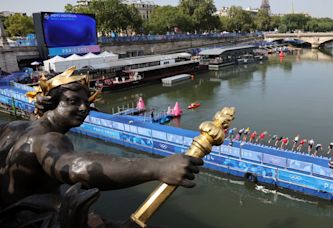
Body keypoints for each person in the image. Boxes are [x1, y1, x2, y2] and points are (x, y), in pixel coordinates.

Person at [0, 68, 203, 227]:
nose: (84, 109)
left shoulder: (14, 127)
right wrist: (158, 168)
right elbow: (76, 167)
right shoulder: (48, 139)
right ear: (51, 103)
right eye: (73, 101)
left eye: (87, 103)